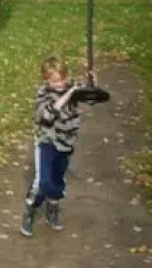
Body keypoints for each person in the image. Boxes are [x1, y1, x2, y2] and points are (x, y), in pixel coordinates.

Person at [21, 55, 98, 237]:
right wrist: (68, 95)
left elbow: (92, 100)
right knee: (43, 182)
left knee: (57, 181)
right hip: (47, 141)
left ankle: (52, 208)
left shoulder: (73, 88)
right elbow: (47, 115)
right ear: (46, 80)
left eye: (62, 79)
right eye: (55, 81)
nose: (60, 84)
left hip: (67, 142)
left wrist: (93, 85)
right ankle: (31, 209)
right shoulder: (43, 93)